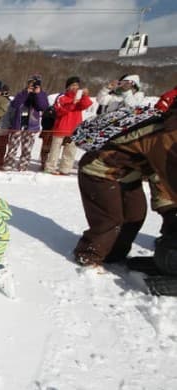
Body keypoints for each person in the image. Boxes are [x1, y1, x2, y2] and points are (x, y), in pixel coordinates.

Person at [72, 86, 177, 267]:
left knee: (135, 214)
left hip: (127, 172)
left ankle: (113, 254)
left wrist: (169, 212)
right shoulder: (167, 135)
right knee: (111, 219)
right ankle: (89, 256)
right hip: (98, 170)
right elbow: (167, 177)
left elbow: (159, 177)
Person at [45, 76, 93, 175]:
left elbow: (86, 105)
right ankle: (50, 167)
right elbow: (59, 111)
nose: (75, 87)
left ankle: (65, 169)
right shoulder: (62, 98)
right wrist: (72, 103)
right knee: (55, 150)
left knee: (70, 151)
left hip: (74, 129)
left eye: (77, 85)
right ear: (68, 87)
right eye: (73, 85)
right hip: (61, 127)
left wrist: (85, 95)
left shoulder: (79, 98)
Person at [3, 75, 49, 171]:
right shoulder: (22, 93)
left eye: (35, 84)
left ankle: (23, 164)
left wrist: (38, 93)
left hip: (31, 125)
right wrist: (26, 93)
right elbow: (14, 104)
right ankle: (9, 163)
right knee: (13, 146)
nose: (32, 86)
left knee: (27, 148)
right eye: (31, 83)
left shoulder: (42, 94)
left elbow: (43, 107)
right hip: (18, 124)